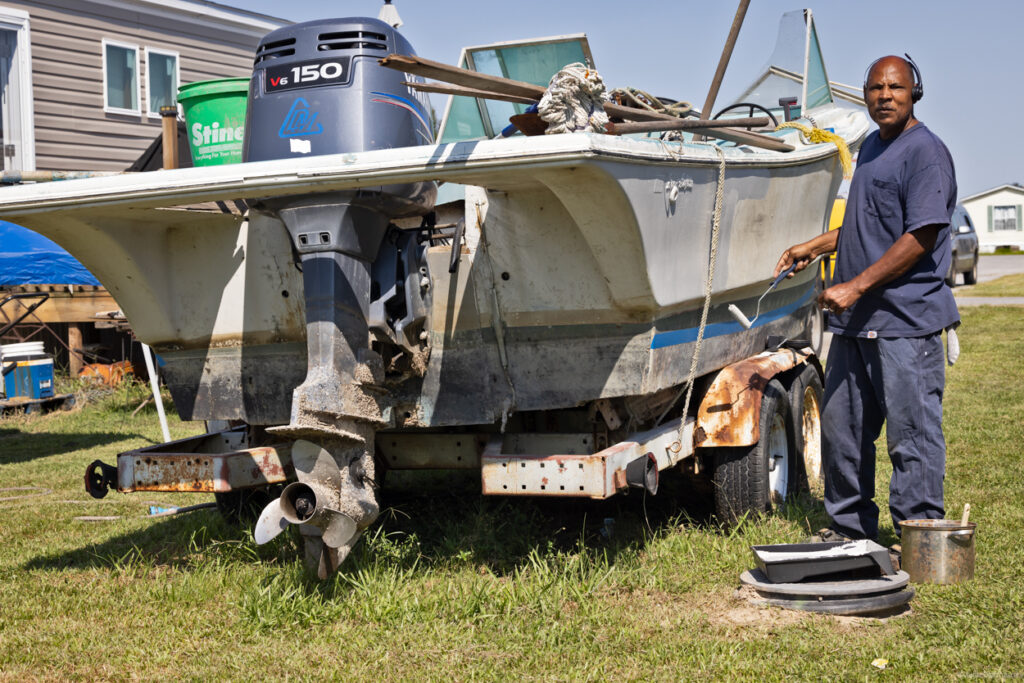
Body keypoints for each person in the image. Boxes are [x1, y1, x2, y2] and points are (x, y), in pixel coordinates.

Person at [774, 55, 958, 543]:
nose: (884, 96)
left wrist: (855, 285)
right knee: (844, 432)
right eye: (875, 88)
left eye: (895, 87)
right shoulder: (872, 147)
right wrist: (815, 246)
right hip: (857, 324)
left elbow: (920, 236)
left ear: (914, 92)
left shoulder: (925, 153)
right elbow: (867, 225)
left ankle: (919, 534)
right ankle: (849, 527)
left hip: (905, 321)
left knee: (911, 436)